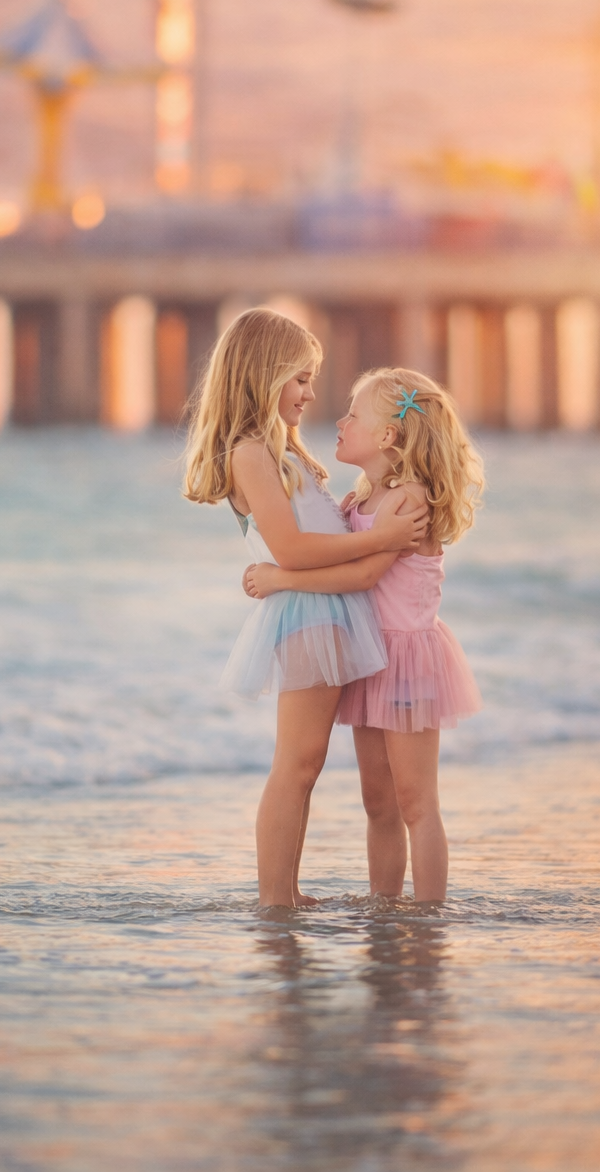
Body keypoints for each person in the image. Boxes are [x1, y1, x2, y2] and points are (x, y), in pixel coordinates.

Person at [184, 311, 429, 910]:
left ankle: (287, 891)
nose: (311, 393)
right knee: (295, 765)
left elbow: (313, 540)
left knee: (307, 765)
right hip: (306, 617)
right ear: (265, 375)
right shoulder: (248, 454)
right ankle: (275, 898)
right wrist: (382, 539)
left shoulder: (283, 454)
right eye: (300, 378)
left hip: (327, 612)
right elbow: (292, 549)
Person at [244, 367, 483, 903]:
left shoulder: (408, 502)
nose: (340, 420)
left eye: (354, 414)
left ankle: (428, 911)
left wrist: (281, 578)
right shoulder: (357, 502)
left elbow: (366, 575)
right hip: (370, 658)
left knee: (416, 801)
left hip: (407, 659)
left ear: (387, 437)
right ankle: (384, 902)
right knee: (378, 802)